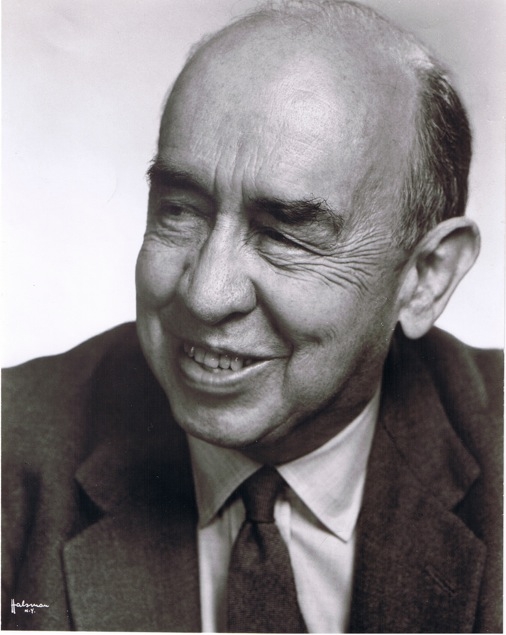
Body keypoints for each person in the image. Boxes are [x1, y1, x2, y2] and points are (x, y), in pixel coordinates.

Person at [2, 0, 502, 632]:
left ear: (426, 278)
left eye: (285, 235)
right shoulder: (13, 449)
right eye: (180, 211)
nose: (205, 296)